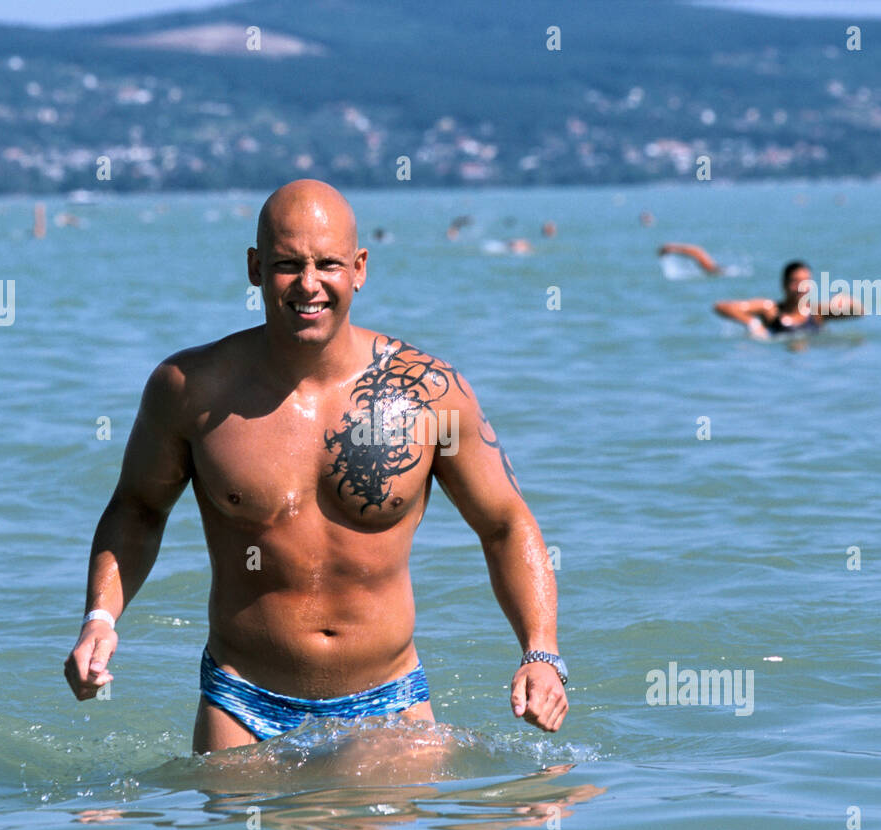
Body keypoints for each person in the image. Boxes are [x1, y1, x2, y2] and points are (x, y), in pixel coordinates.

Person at [64, 179, 567, 753]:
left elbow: (504, 522)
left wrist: (541, 653)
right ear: (254, 267)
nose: (309, 285)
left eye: (327, 264)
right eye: (287, 265)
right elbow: (139, 508)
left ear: (359, 267)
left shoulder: (429, 392)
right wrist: (100, 618)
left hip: (389, 703)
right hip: (241, 700)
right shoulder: (189, 390)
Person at [713, 260, 862, 339]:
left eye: (806, 282)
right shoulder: (770, 309)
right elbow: (721, 307)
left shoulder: (817, 312)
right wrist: (752, 323)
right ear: (784, 284)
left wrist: (841, 299)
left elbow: (859, 310)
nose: (801, 287)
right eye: (795, 282)